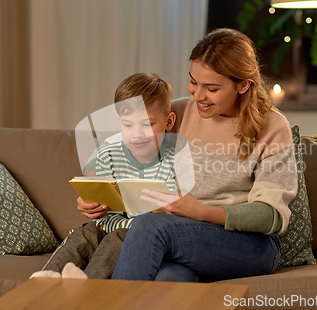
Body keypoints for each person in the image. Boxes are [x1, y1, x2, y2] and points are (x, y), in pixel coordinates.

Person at [79, 28, 298, 282]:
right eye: (194, 81)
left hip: (250, 245)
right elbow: (121, 144)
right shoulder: (179, 113)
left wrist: (201, 212)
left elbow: (272, 215)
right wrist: (96, 189)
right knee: (169, 279)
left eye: (212, 88)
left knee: (149, 226)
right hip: (183, 237)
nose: (198, 95)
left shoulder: (273, 127)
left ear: (243, 85)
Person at [31, 72, 177, 279]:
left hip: (139, 234)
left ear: (169, 122)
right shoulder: (108, 154)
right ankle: (45, 280)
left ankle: (90, 286)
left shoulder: (173, 160)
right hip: (105, 225)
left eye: (147, 124)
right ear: (119, 122)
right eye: (128, 125)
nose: (137, 133)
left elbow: (175, 209)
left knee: (118, 238)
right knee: (84, 233)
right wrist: (91, 202)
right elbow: (96, 190)